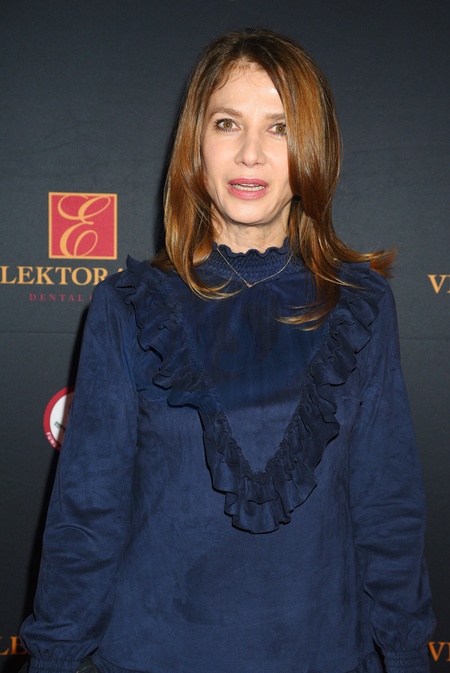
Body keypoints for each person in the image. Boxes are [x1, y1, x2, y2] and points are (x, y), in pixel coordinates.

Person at [20, 28, 435, 673]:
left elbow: (387, 504)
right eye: (227, 123)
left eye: (279, 127)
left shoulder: (362, 305)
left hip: (321, 654)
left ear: (313, 149)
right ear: (196, 145)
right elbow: (88, 511)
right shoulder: (129, 306)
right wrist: (53, 657)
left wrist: (407, 652)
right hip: (153, 654)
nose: (250, 153)